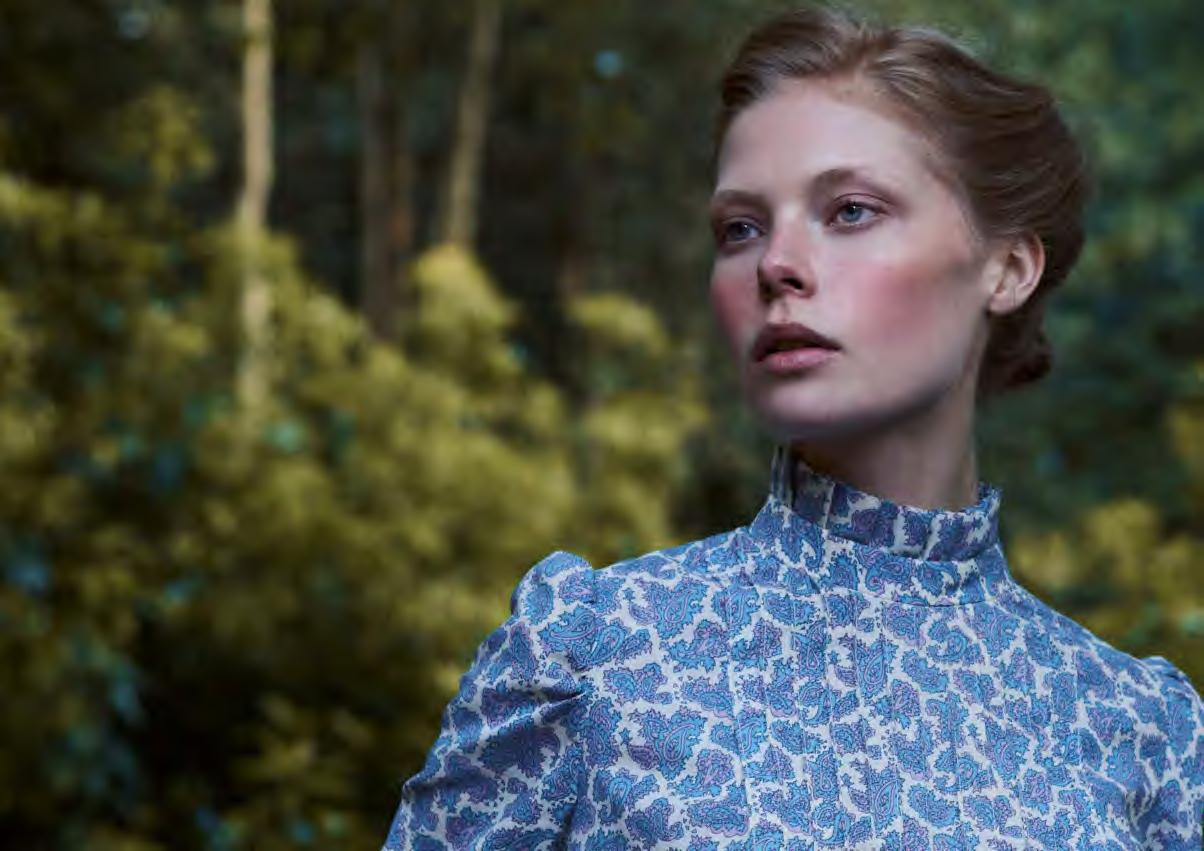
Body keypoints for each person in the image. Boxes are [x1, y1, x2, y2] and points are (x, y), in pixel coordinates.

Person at [382, 6, 1204, 849]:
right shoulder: (594, 655)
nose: (776, 263)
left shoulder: (1138, 728)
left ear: (1008, 266)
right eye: (740, 228)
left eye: (850, 210)